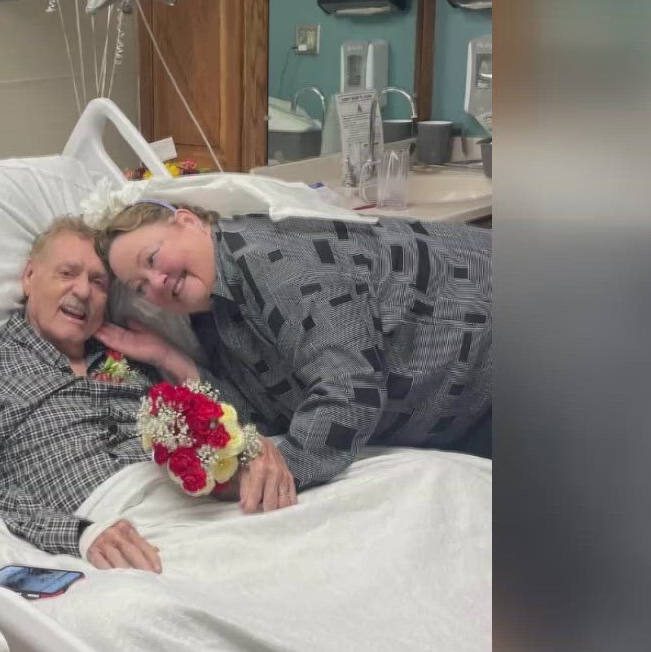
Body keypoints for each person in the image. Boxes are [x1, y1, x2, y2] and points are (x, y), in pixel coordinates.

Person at [0, 218, 298, 574]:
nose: (83, 291)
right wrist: (77, 533)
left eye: (99, 281)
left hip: (197, 508)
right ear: (29, 277)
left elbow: (221, 421)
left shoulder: (133, 357)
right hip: (105, 532)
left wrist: (245, 445)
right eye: (67, 273)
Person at [97, 201, 492, 490]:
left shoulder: (275, 259)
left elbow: (351, 389)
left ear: (189, 221)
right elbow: (265, 413)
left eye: (152, 258)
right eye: (140, 287)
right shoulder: (218, 311)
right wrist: (169, 357)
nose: (157, 282)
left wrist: (273, 472)